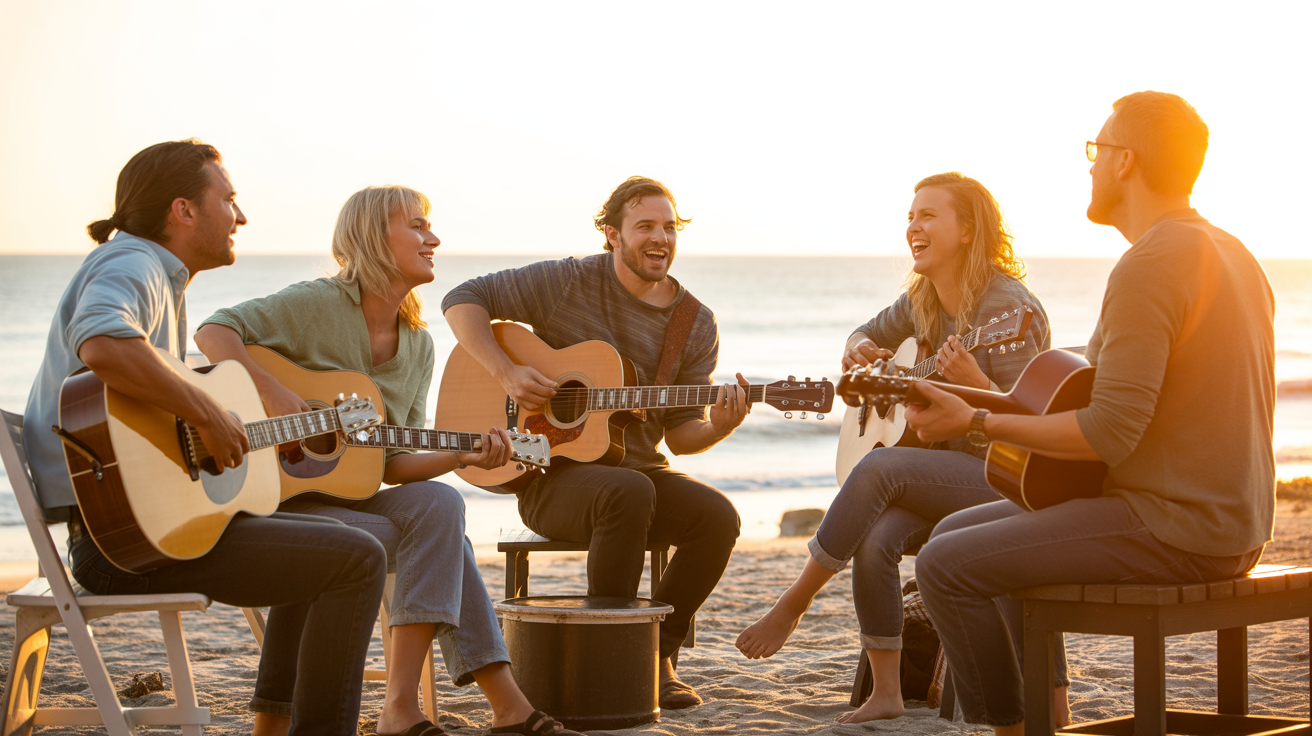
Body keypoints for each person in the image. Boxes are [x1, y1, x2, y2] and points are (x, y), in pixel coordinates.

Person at [910, 92, 1273, 735]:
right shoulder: (1233, 254)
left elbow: (1107, 431)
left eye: (1096, 151)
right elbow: (1126, 408)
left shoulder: (1149, 265)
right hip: (1232, 520)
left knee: (945, 566)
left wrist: (973, 423)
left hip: (1176, 527)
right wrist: (971, 400)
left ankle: (1012, 730)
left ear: (1125, 161)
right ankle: (1041, 715)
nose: (1090, 166)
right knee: (948, 537)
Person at [21, 140, 388, 736]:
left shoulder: (158, 278)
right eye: (229, 200)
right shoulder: (133, 264)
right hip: (119, 544)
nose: (240, 218)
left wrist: (230, 424)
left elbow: (145, 420)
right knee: (355, 558)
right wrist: (209, 414)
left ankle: (275, 725)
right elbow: (104, 345)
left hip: (131, 528)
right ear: (183, 211)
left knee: (333, 541)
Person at [195, 186, 581, 736]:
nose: (434, 239)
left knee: (441, 503)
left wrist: (460, 454)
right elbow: (214, 331)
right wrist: (274, 393)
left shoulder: (418, 345)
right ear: (375, 237)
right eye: (419, 227)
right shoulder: (317, 304)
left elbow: (392, 463)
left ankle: (413, 708)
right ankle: (489, 708)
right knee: (447, 536)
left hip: (352, 503)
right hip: (274, 500)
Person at [735, 172, 1053, 723]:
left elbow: (1033, 424)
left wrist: (977, 384)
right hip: (942, 477)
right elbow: (861, 333)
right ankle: (886, 693)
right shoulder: (923, 298)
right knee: (876, 534)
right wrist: (859, 348)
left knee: (880, 467)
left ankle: (795, 602)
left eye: (928, 215)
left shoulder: (1007, 310)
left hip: (1001, 479)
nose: (913, 227)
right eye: (911, 216)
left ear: (968, 230)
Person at [442, 177, 746, 709]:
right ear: (612, 234)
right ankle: (610, 649)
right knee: (626, 490)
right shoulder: (569, 282)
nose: (661, 238)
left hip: (639, 474)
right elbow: (461, 297)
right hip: (547, 475)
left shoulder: (694, 323)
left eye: (670, 227)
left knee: (717, 517)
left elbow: (681, 434)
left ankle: (655, 654)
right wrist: (509, 372)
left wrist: (721, 425)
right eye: (645, 226)